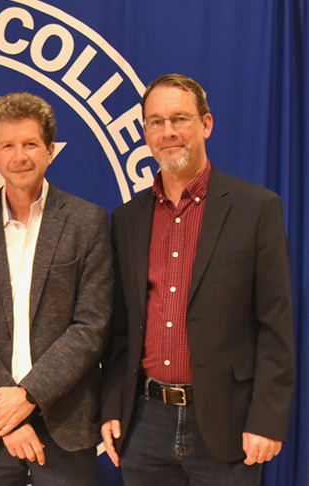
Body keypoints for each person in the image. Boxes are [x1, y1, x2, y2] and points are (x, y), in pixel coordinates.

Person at [100, 74, 295, 485]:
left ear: (206, 124)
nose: (168, 132)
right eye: (155, 121)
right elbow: (120, 333)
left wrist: (267, 419)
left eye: (179, 119)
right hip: (144, 424)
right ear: (145, 133)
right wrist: (113, 407)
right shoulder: (127, 219)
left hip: (228, 422)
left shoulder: (256, 209)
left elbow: (276, 326)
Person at [0, 92, 112, 486]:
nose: (20, 156)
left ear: (50, 150)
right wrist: (7, 411)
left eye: (31, 144)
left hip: (65, 422)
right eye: (8, 145)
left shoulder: (87, 224)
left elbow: (92, 326)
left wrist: (28, 396)